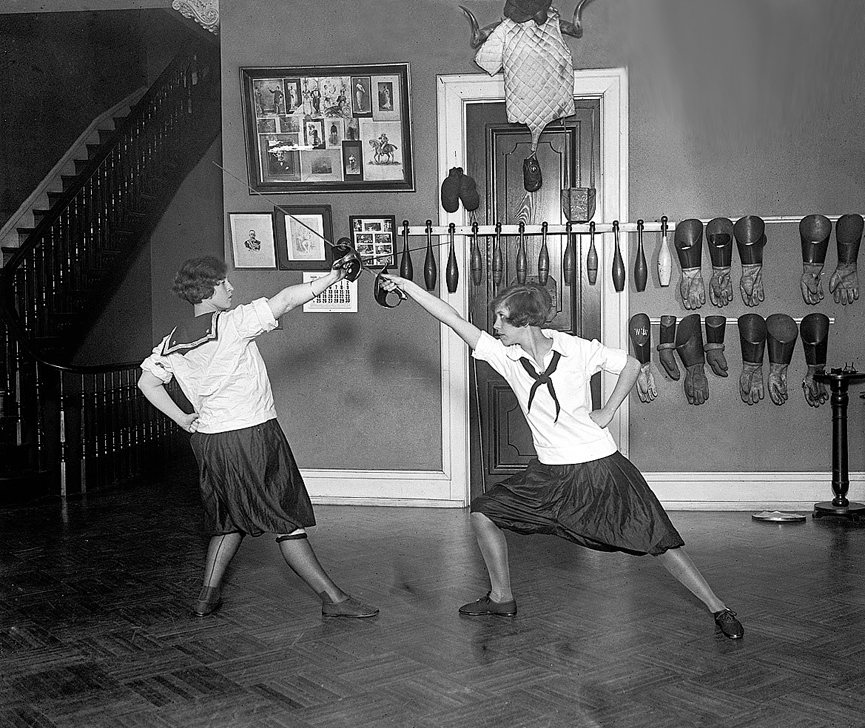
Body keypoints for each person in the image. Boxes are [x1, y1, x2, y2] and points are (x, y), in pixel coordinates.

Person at [379, 275, 744, 639]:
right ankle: (501, 597)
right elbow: (451, 319)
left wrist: (607, 412)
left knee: (659, 540)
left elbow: (631, 365)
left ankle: (719, 607)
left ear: (524, 321)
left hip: (600, 467)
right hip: (549, 476)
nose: (494, 326)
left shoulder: (576, 350)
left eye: (501, 318)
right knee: (483, 512)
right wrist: (406, 287)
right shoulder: (506, 356)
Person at [138, 255, 378, 620]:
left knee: (230, 519)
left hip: (210, 441)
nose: (230, 288)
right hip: (251, 434)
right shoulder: (233, 323)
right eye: (223, 283)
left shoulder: (171, 341)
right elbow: (285, 301)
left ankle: (207, 597)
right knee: (286, 519)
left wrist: (184, 418)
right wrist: (332, 278)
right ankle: (334, 599)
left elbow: (147, 382)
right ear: (206, 289)